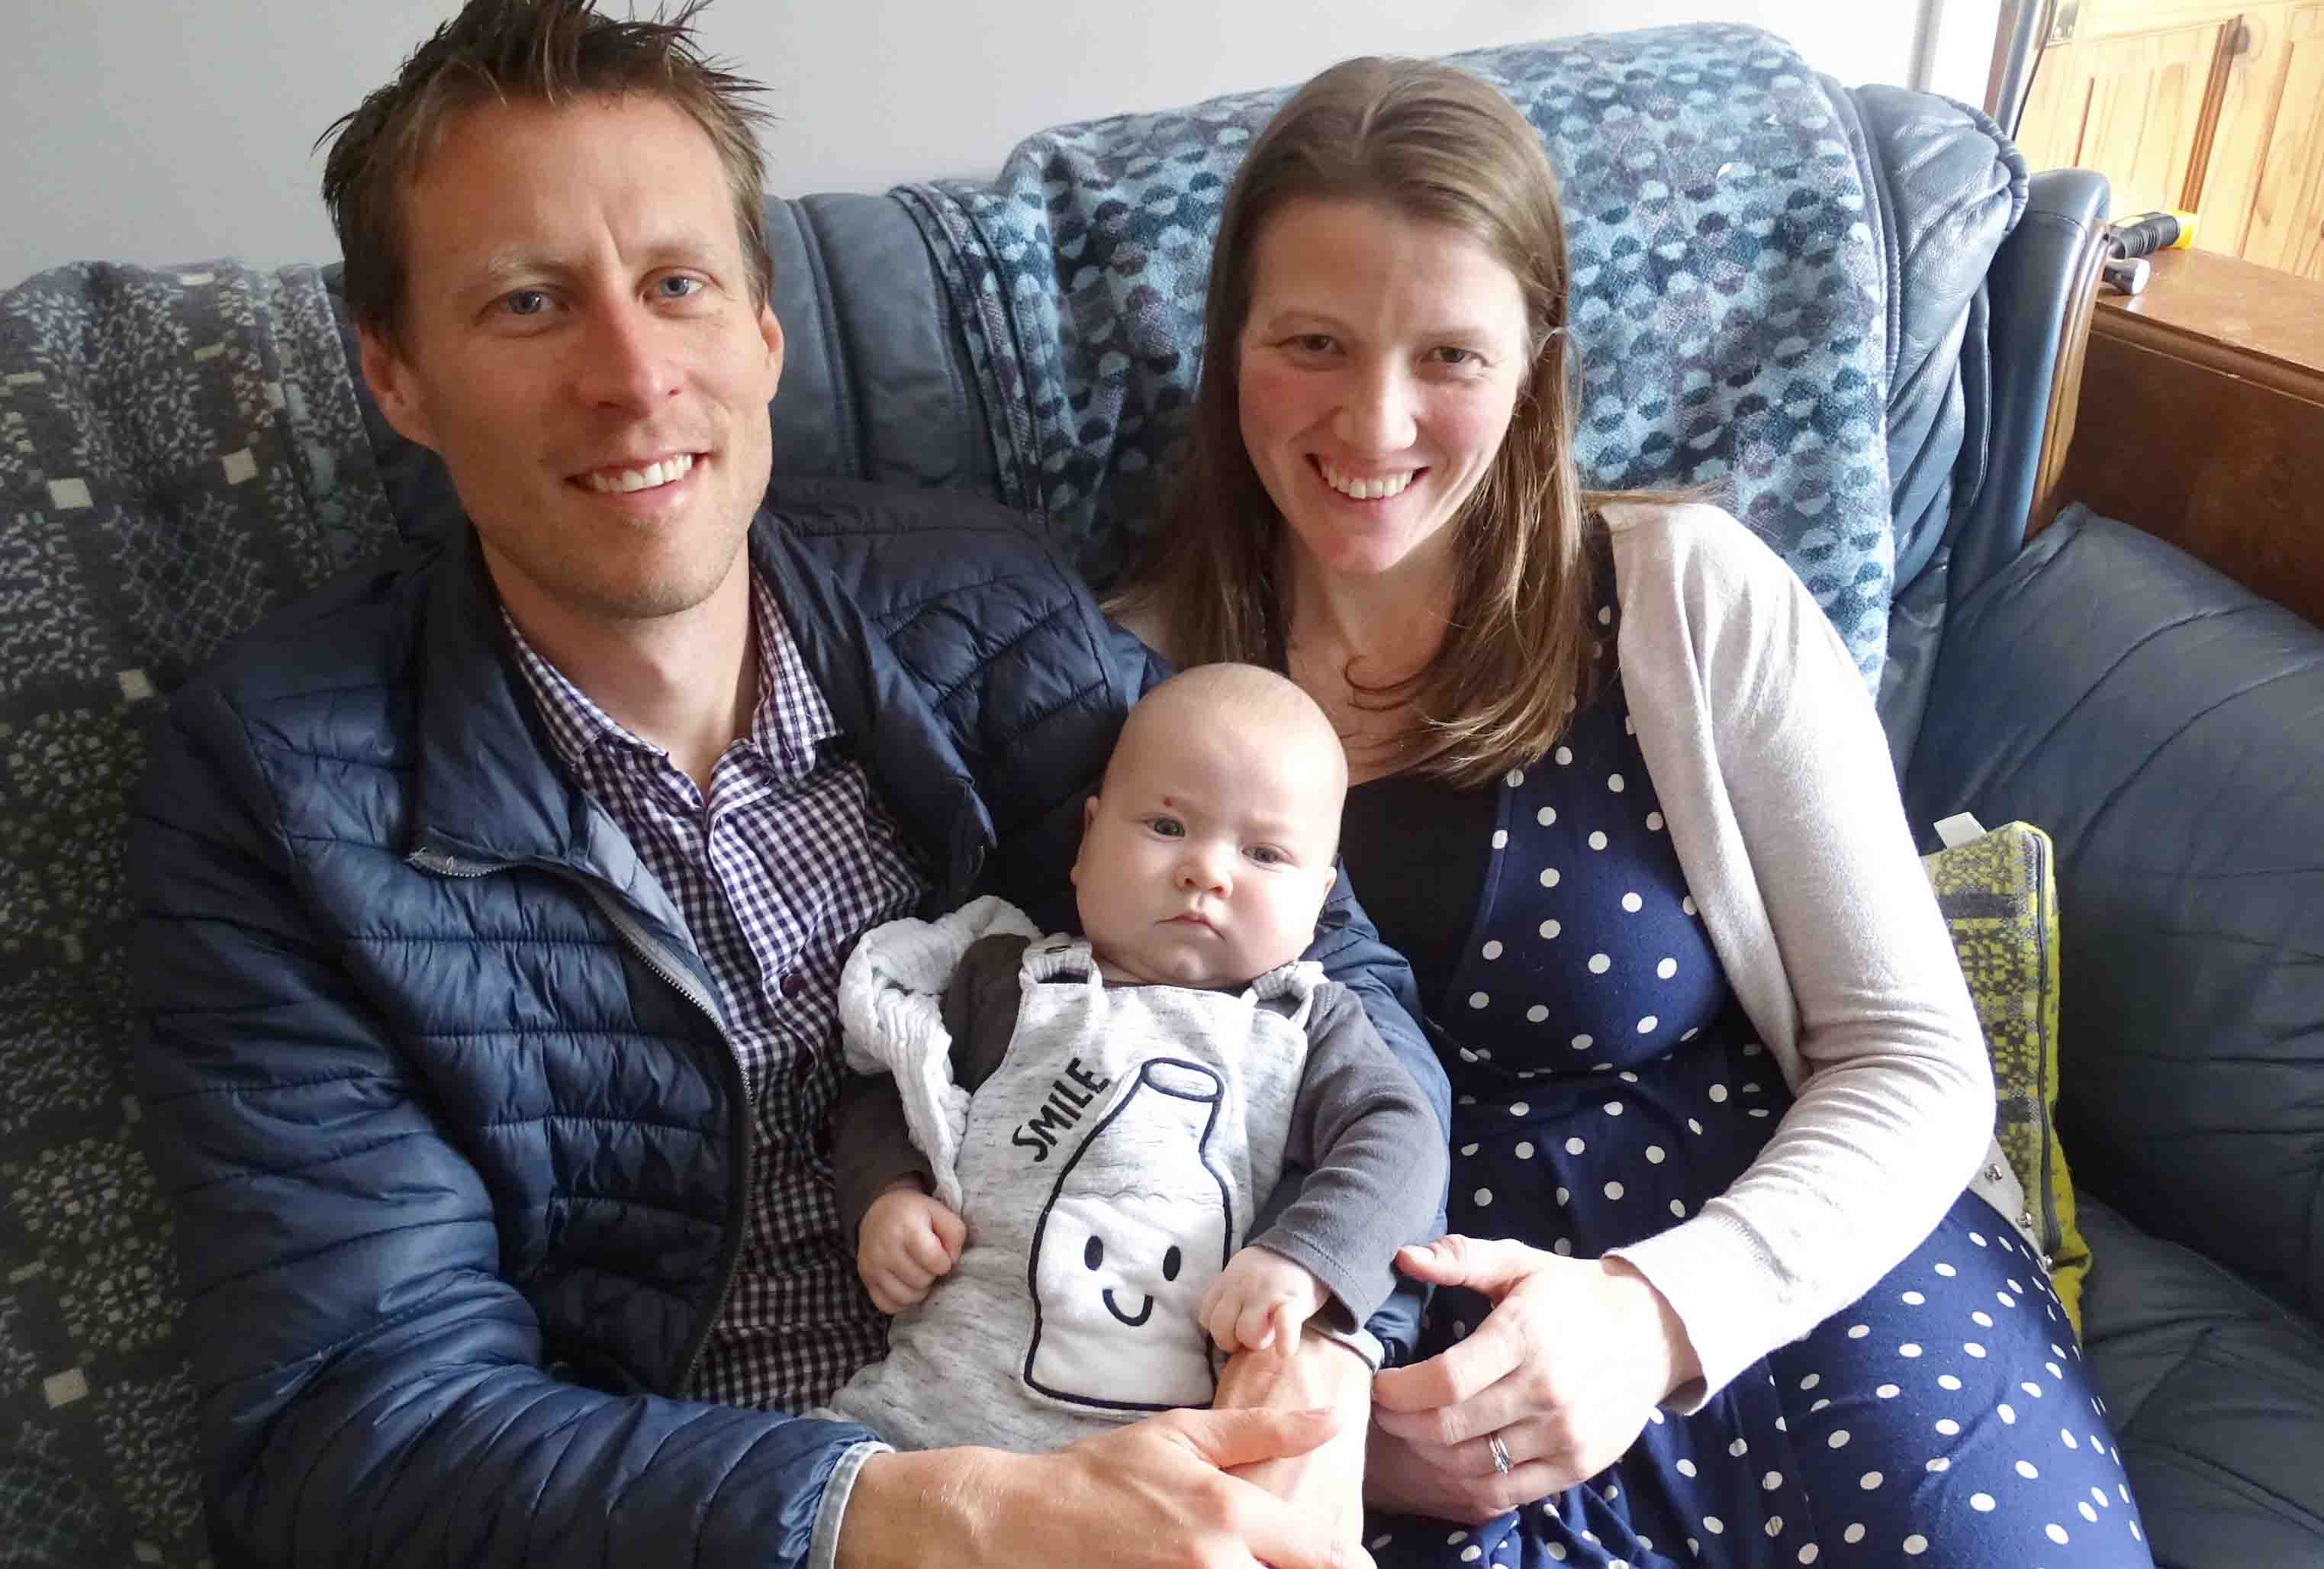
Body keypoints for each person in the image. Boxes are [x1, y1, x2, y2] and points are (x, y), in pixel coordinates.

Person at [124, 4, 1445, 1567]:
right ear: (399, 376)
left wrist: (1326, 1348)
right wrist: (931, 1514)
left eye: (675, 284)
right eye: (530, 302)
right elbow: (358, 1425)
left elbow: (1321, 965)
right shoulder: (280, 791)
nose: (630, 376)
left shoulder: (982, 606)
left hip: (1150, 1444)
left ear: (763, 330)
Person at [1112, 56, 2155, 1568]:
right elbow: (1076, 1111)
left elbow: (1916, 1057)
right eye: (1311, 343)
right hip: (1397, 1387)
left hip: (1799, 1290)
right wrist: (1318, 1387)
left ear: (1537, 365)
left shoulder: (1684, 598)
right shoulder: (1123, 678)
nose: (1375, 419)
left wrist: (1659, 1311)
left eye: (1450, 357)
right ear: (1228, 353)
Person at [822, 664, 1449, 1453]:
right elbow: (891, 1092)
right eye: (1166, 827)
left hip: (1169, 1465)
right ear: (1086, 840)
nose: (1205, 871)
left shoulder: (1304, 1024)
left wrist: (1305, 1260)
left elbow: (1403, 1138)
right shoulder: (1008, 978)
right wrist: (886, 1196)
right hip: (929, 1429)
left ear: (1319, 899)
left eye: (1263, 853)